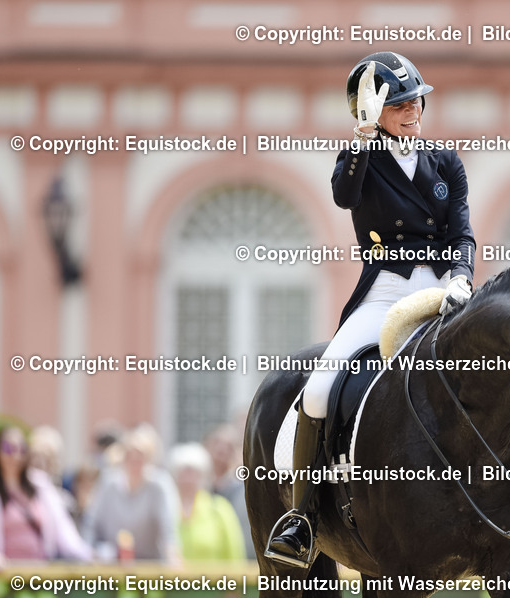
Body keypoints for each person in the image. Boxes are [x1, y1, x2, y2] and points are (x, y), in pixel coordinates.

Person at [266, 51, 477, 567]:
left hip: (441, 293)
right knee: (319, 390)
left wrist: (461, 277)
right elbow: (345, 196)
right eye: (399, 104)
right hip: (384, 293)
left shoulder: (445, 161)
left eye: (416, 101)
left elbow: (461, 232)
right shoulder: (359, 159)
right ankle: (303, 517)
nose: (412, 111)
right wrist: (362, 139)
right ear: (373, 112)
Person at [0, 425, 90, 568]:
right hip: (4, 573)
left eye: (21, 449)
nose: (15, 455)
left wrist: (86, 555)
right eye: (8, 449)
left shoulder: (40, 485)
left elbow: (63, 528)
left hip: (40, 571)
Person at [83, 428, 180, 562]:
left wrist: (173, 558)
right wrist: (89, 554)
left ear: (150, 458)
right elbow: (91, 523)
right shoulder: (108, 483)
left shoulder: (159, 485)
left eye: (140, 456)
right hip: (110, 564)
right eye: (129, 455)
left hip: (149, 565)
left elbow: (168, 529)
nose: (134, 460)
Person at [170, 443, 246, 561]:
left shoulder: (219, 508)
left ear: (202, 476)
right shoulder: (167, 508)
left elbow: (235, 555)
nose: (187, 479)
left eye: (192, 473)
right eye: (183, 473)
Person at [205, 423, 255, 559]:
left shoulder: (243, 491)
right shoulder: (200, 487)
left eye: (228, 447)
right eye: (216, 445)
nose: (220, 452)